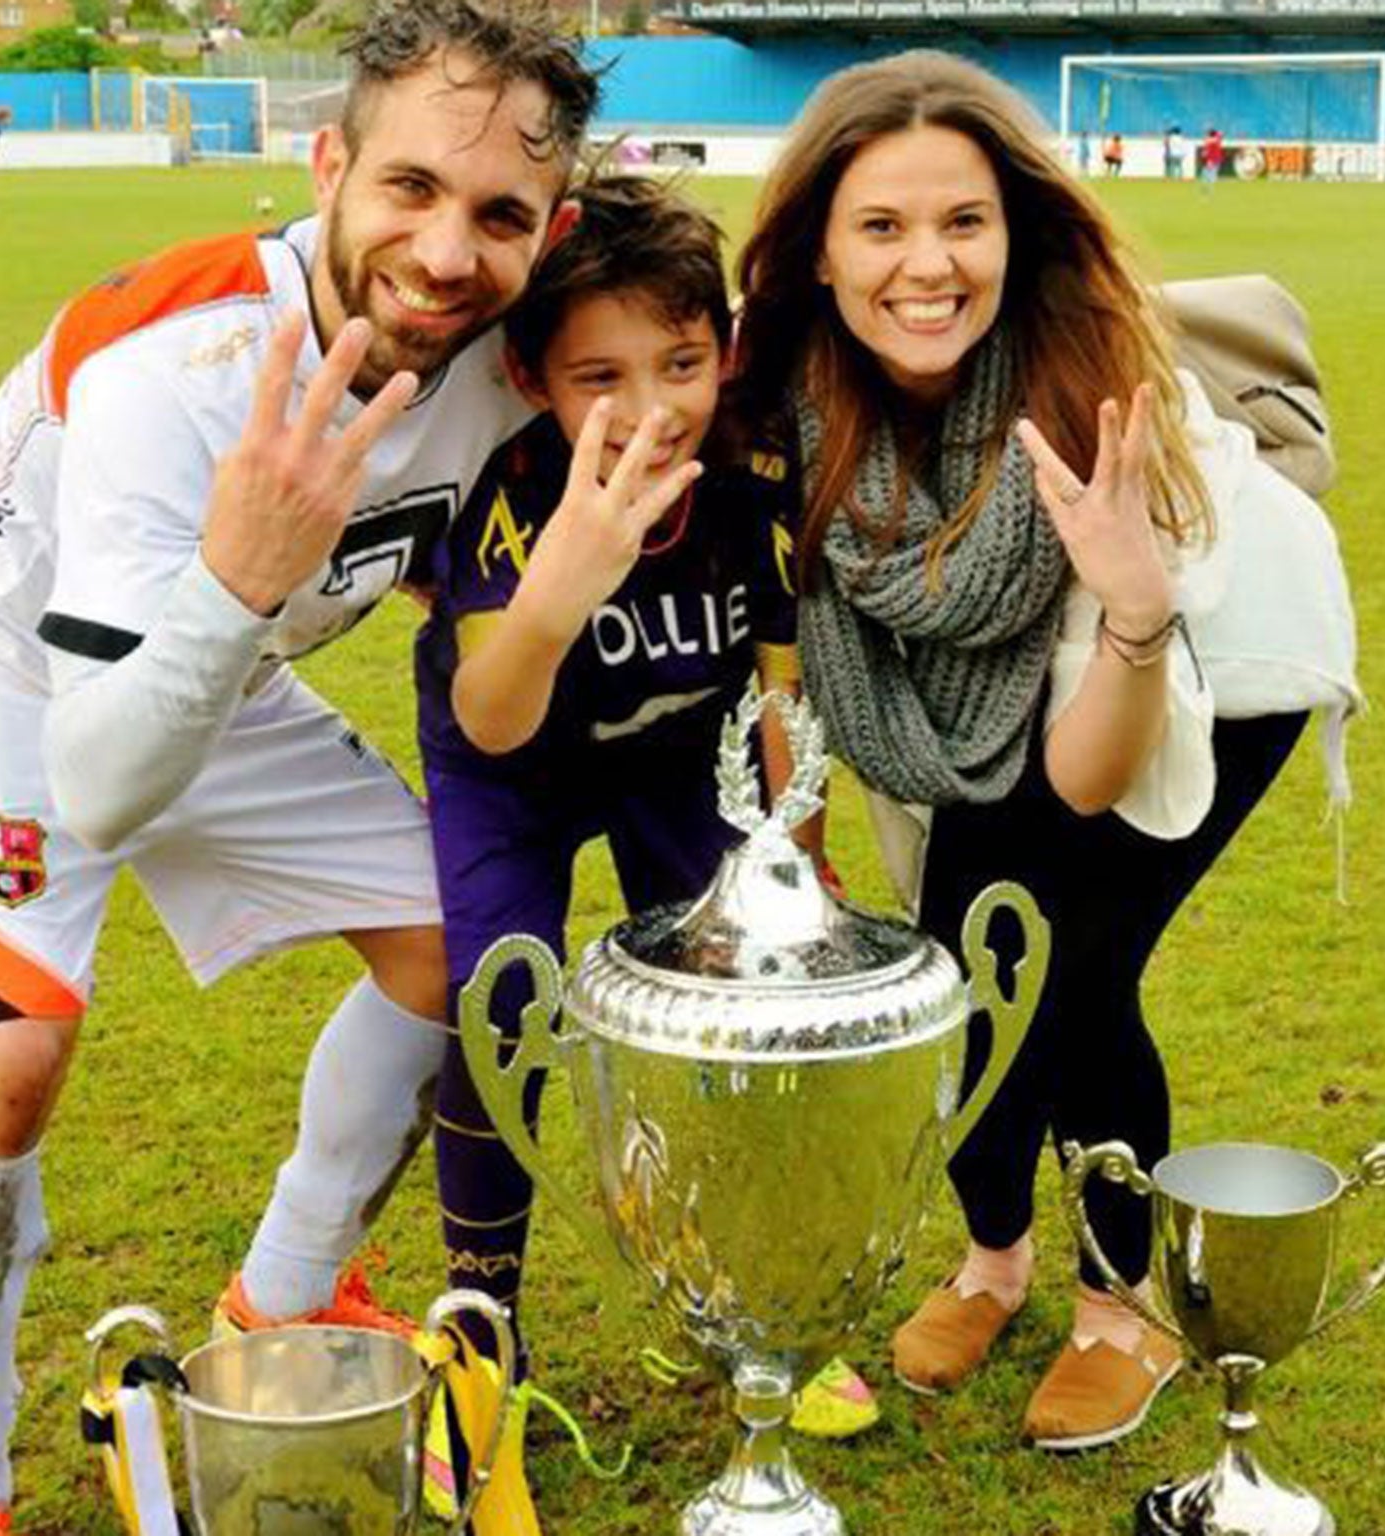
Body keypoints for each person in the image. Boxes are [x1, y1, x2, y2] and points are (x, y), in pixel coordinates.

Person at [0, 5, 599, 1532]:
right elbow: (103, 778)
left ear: (552, 228)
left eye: (500, 214)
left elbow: (725, 332)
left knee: (452, 944)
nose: (448, 252)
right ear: (328, 165)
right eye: (408, 190)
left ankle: (284, 1305)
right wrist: (244, 583)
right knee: (8, 1054)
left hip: (210, 652)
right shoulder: (177, 365)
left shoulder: (515, 345)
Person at [731, 51, 1359, 1451]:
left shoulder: (1105, 400)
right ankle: (996, 1260)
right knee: (959, 964)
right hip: (1012, 677)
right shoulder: (790, 395)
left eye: (963, 221)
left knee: (1072, 972)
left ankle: (1122, 1299)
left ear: (1014, 227)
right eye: (881, 227)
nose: (928, 265)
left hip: (1207, 645)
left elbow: (1085, 776)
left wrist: (1134, 605)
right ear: (817, 253)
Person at [412, 175, 874, 1518]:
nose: (654, 403)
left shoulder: (752, 468)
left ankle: (739, 1309)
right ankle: (479, 1340)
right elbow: (493, 721)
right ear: (530, 377)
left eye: (682, 361)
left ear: (722, 349)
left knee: (739, 1004)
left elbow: (780, 687)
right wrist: (567, 576)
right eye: (599, 374)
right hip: (517, 771)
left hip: (684, 757)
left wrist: (804, 865)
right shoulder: (510, 492)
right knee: (498, 994)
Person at [1200, 123, 1225, 187]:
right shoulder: (1217, 139)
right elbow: (1221, 133)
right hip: (1218, 158)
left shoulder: (1208, 140)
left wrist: (1203, 154)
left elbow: (1205, 151)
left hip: (1211, 159)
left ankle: (1207, 183)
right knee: (1213, 172)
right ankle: (1210, 183)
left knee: (1207, 171)